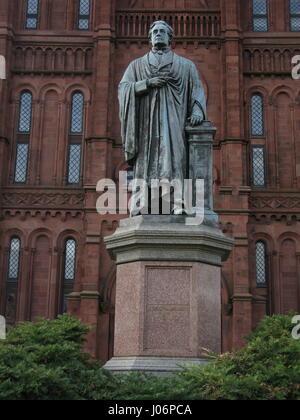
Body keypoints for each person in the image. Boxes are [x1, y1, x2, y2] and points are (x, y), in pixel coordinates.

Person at [119, 21, 207, 213]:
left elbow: (197, 89)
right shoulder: (136, 66)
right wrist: (147, 83)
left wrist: (198, 110)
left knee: (174, 158)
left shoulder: (186, 65)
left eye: (162, 32)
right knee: (145, 161)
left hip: (174, 121)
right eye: (155, 32)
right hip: (145, 123)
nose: (158, 34)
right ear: (150, 38)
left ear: (170, 37)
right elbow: (123, 88)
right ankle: (142, 203)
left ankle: (177, 203)